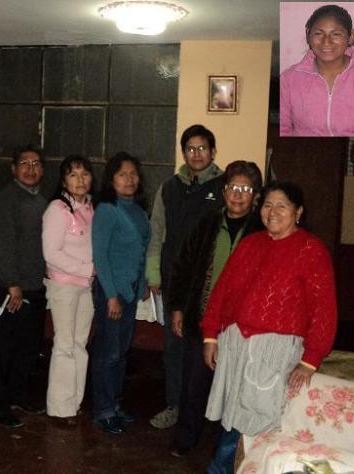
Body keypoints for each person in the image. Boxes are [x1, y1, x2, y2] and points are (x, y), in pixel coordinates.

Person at [201, 181, 338, 473]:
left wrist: (310, 360)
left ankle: (224, 468)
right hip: (236, 344)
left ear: (298, 212)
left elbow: (324, 309)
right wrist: (211, 336)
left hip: (275, 352)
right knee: (233, 416)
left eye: (281, 206)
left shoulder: (311, 250)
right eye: (267, 205)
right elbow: (222, 291)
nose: (272, 212)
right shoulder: (250, 243)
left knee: (259, 419)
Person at [166, 161, 263, 458]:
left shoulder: (261, 230)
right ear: (223, 191)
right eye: (233, 187)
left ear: (255, 195)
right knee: (194, 384)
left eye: (245, 189)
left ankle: (226, 448)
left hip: (241, 326)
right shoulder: (207, 223)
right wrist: (178, 307)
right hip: (202, 317)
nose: (238, 195)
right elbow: (183, 266)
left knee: (235, 387)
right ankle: (186, 438)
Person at [146, 124, 225, 430]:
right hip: (174, 282)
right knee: (175, 348)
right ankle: (175, 406)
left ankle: (207, 411)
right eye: (190, 149)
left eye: (202, 148)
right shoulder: (169, 187)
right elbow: (156, 233)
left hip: (210, 284)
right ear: (183, 153)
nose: (196, 154)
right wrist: (154, 274)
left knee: (209, 347)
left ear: (213, 151)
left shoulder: (225, 187)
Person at [0, 144, 48, 428]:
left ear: (42, 170)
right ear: (13, 169)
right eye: (24, 163)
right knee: (1, 352)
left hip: (33, 287)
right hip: (8, 288)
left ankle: (17, 396)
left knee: (26, 348)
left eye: (35, 164)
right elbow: (4, 244)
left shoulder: (41, 201)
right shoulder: (6, 199)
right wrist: (12, 284)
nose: (30, 169)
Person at [91, 152, 151, 435]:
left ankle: (115, 404)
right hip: (111, 293)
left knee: (121, 353)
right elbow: (100, 255)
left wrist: (143, 283)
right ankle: (103, 411)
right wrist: (111, 295)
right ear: (111, 179)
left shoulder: (138, 210)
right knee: (108, 353)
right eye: (122, 174)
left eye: (133, 174)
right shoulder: (106, 209)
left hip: (129, 292)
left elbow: (142, 250)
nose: (129, 179)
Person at [280, 4, 354, 137]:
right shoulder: (288, 79)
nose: (326, 41)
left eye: (336, 34)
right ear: (308, 35)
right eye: (318, 33)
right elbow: (283, 129)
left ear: (350, 36)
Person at [43, 155, 95, 425]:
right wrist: (87, 268)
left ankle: (73, 402)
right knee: (64, 345)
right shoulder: (57, 209)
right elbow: (51, 254)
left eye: (84, 174)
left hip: (85, 287)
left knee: (79, 344)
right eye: (73, 175)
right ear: (64, 180)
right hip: (63, 286)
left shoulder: (91, 207)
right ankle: (60, 408)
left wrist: (89, 273)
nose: (80, 180)